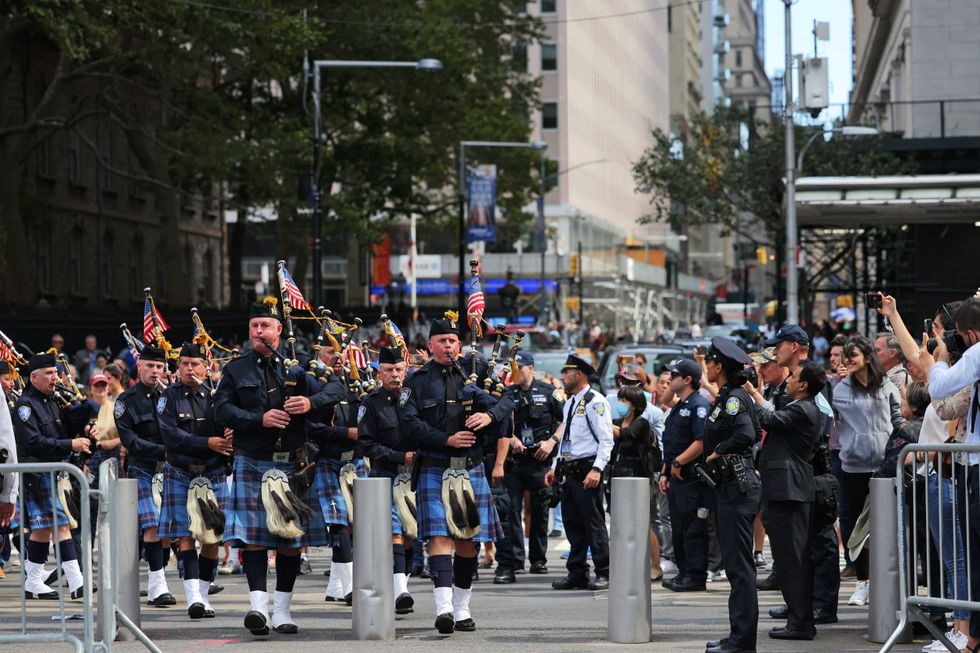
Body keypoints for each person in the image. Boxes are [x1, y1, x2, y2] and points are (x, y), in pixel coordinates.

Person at [213, 299, 336, 636]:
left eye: (265, 326)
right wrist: (258, 419)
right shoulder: (236, 370)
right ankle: (257, 608)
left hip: (291, 465)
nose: (258, 332)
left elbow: (338, 389)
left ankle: (282, 611)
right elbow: (221, 411)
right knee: (253, 542)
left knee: (289, 542)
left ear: (279, 330)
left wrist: (312, 401)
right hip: (253, 460)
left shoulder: (299, 367)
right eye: (254, 326)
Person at [397, 314, 506, 634]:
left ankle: (462, 609)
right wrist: (446, 439)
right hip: (434, 465)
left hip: (470, 467)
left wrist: (488, 416)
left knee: (468, 542)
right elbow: (409, 422)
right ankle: (444, 609)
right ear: (430, 345)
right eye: (442, 341)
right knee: (441, 539)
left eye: (453, 341)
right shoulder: (416, 381)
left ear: (459, 344)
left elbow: (508, 402)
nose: (448, 346)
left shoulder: (476, 372)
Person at [915, 296, 980, 653]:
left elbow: (940, 395)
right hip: (970, 466)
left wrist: (938, 362)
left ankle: (968, 636)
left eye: (953, 333)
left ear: (969, 332)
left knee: (969, 557)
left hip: (974, 468)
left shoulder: (976, 352)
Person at [156, 343, 233, 620]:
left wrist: (229, 433)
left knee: (212, 537)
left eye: (195, 364)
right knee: (186, 535)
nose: (190, 369)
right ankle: (193, 598)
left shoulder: (216, 396)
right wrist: (208, 442)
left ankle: (202, 593)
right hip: (180, 472)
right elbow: (170, 435)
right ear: (178, 367)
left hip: (213, 472)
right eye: (185, 364)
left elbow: (229, 427)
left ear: (206, 366)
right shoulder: (168, 397)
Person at [756, 361, 827, 641]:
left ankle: (800, 623)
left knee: (793, 560)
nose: (788, 379)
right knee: (789, 559)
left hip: (791, 492)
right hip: (785, 491)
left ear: (804, 385)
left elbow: (769, 419)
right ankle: (799, 619)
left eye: (794, 376)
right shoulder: (799, 406)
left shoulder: (803, 409)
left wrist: (747, 394)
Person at [832, 334, 904, 607]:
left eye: (853, 356)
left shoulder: (886, 385)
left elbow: (897, 417)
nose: (847, 361)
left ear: (866, 358)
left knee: (886, 525)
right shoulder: (840, 389)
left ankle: (887, 582)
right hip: (853, 466)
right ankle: (863, 581)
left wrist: (900, 441)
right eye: (844, 356)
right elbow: (829, 415)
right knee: (857, 527)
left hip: (885, 465)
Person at [12, 353, 91, 600]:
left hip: (54, 472)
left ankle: (33, 581)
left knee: (43, 529)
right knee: (61, 524)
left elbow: (65, 430)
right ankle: (78, 582)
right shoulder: (26, 406)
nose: (55, 378)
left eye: (55, 372)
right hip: (37, 472)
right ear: (33, 377)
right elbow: (34, 442)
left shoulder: (53, 401)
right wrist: (71, 444)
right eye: (49, 373)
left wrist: (85, 428)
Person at [700, 337, 761, 653]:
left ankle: (743, 641)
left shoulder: (735, 398)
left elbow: (746, 435)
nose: (706, 367)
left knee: (740, 569)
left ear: (719, 366)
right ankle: (737, 635)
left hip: (738, 489)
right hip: (729, 489)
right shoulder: (727, 396)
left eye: (709, 362)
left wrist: (718, 451)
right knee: (737, 568)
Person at [543, 354, 614, 592]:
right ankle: (577, 572)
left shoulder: (596, 401)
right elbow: (566, 439)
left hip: (588, 470)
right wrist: (555, 467)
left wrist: (597, 469)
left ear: (579, 375)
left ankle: (604, 571)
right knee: (573, 525)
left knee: (593, 525)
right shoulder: (571, 402)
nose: (562, 377)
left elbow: (606, 441)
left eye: (566, 373)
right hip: (569, 471)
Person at [114, 345, 176, 608]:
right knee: (152, 525)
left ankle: (157, 582)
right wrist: (167, 451)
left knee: (166, 529)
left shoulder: (171, 397)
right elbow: (131, 441)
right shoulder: (125, 402)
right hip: (143, 468)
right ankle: (157, 584)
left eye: (159, 367)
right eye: (150, 366)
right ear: (139, 366)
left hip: (171, 470)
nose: (155, 371)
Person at [494, 351, 563, 584]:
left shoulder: (548, 391)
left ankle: (538, 559)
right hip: (515, 462)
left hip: (540, 460)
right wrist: (511, 439)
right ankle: (515, 559)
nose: (516, 372)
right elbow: (498, 422)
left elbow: (566, 419)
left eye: (520, 367)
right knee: (511, 510)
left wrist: (551, 441)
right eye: (513, 368)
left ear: (531, 368)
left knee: (540, 510)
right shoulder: (507, 393)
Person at [358, 346, 416, 615]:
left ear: (406, 370)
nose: (395, 375)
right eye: (389, 370)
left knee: (411, 534)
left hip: (415, 475)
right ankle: (400, 590)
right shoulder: (370, 403)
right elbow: (367, 444)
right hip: (386, 474)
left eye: (399, 369)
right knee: (394, 531)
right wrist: (399, 456)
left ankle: (402, 583)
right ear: (379, 373)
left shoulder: (415, 398)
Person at [308, 342, 364, 604]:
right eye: (331, 352)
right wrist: (347, 434)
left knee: (356, 525)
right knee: (338, 523)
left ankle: (334, 587)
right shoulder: (312, 386)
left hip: (355, 462)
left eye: (341, 353)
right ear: (319, 355)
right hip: (328, 461)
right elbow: (311, 428)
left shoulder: (357, 383)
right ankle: (351, 585)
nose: (338, 358)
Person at [658, 358, 712, 592]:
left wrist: (679, 462)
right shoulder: (682, 404)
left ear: (688, 380)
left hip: (691, 478)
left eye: (675, 375)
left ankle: (695, 575)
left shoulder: (698, 405)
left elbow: (700, 442)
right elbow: (664, 401)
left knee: (693, 529)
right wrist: (665, 471)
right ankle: (684, 573)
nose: (669, 379)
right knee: (680, 528)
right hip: (676, 476)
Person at [610, 384, 662, 580]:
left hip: (639, 475)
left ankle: (655, 564)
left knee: (643, 523)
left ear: (635, 404)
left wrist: (602, 422)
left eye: (625, 400)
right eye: (620, 399)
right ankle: (628, 566)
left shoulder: (641, 423)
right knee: (622, 524)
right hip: (619, 473)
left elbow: (627, 434)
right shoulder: (616, 421)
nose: (621, 404)